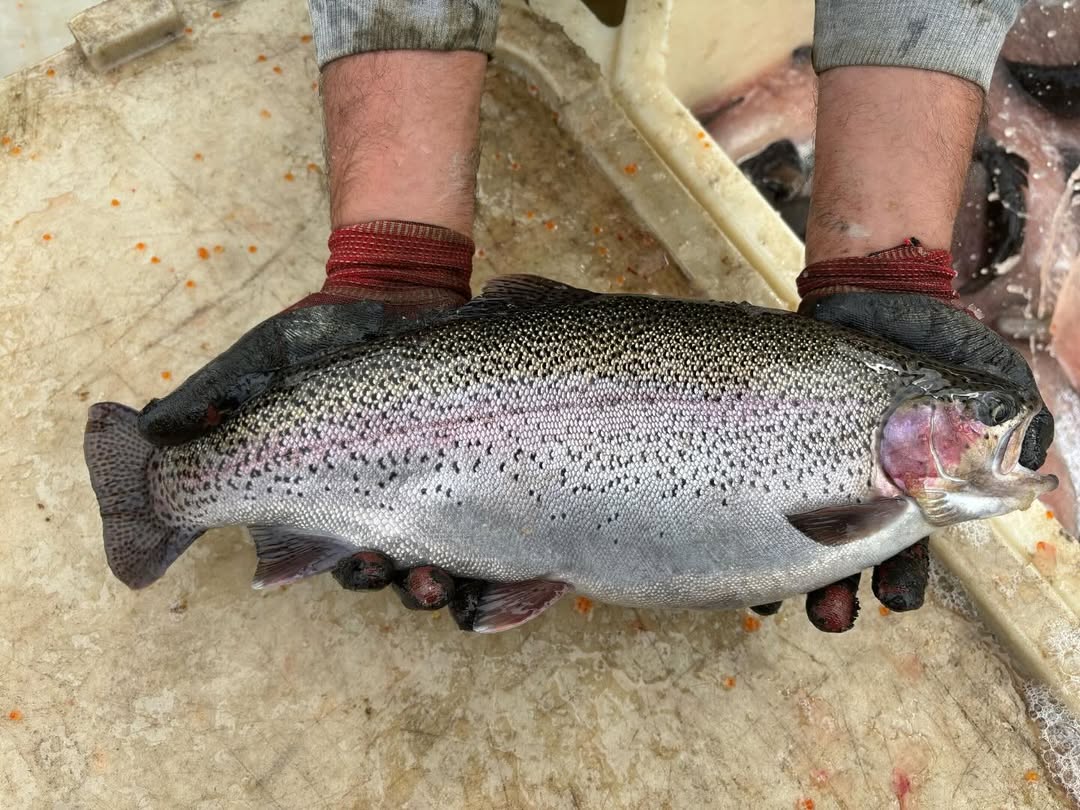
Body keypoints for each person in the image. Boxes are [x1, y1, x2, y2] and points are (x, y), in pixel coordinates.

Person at [138, 0, 1054, 633]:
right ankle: (184, 489)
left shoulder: (881, 473)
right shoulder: (874, 485)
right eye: (978, 415)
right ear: (916, 422)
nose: (996, 428)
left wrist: (887, 253)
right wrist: (393, 254)